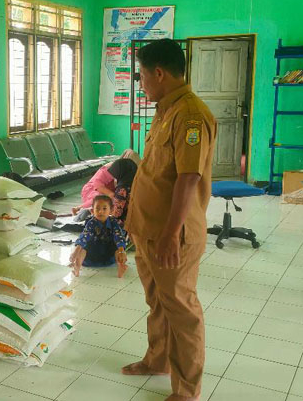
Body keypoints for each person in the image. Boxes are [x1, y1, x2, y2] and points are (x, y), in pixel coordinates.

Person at [122, 39, 217, 401]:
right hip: (146, 230)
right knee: (158, 302)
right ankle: (157, 360)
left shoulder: (190, 115)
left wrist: (169, 234)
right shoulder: (166, 109)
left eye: (142, 76)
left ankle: (187, 390)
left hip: (170, 235)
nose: (141, 83)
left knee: (181, 309)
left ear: (159, 73)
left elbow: (188, 178)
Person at [69, 195, 129, 278]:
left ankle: (120, 266)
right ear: (92, 211)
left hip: (108, 254)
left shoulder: (113, 222)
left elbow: (118, 236)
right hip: (92, 255)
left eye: (104, 209)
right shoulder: (91, 222)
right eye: (97, 208)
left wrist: (122, 251)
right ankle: (77, 267)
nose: (101, 211)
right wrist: (76, 251)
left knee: (119, 247)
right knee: (81, 248)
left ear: (111, 211)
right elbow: (84, 236)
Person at [72, 149, 140, 222]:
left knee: (113, 202)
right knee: (101, 199)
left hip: (113, 195)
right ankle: (80, 209)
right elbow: (97, 184)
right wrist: (111, 195)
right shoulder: (115, 167)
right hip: (93, 189)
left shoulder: (127, 173)